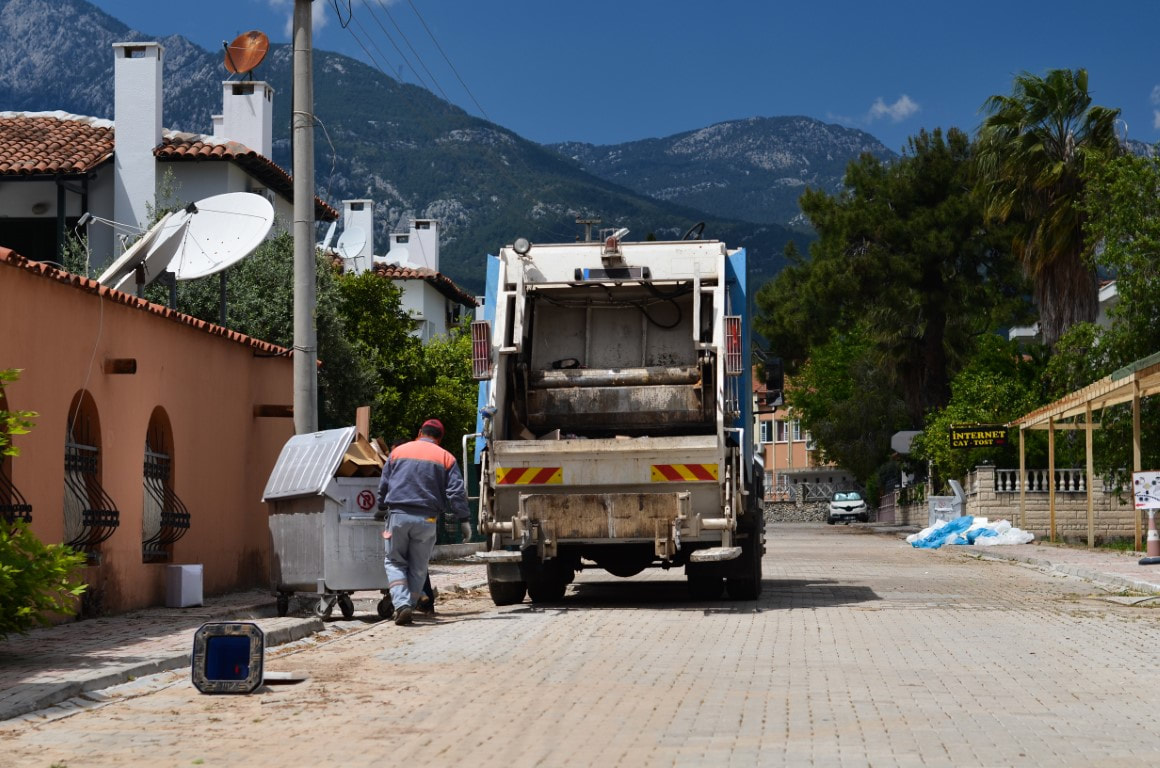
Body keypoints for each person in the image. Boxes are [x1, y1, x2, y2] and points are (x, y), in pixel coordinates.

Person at [377, 418, 471, 625]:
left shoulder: (398, 452)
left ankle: (402, 605)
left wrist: (381, 506)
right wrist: (463, 519)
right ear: (440, 438)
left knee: (394, 561)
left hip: (399, 515)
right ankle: (408, 605)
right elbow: (456, 491)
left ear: (420, 432)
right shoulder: (446, 457)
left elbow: (384, 484)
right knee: (419, 567)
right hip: (427, 519)